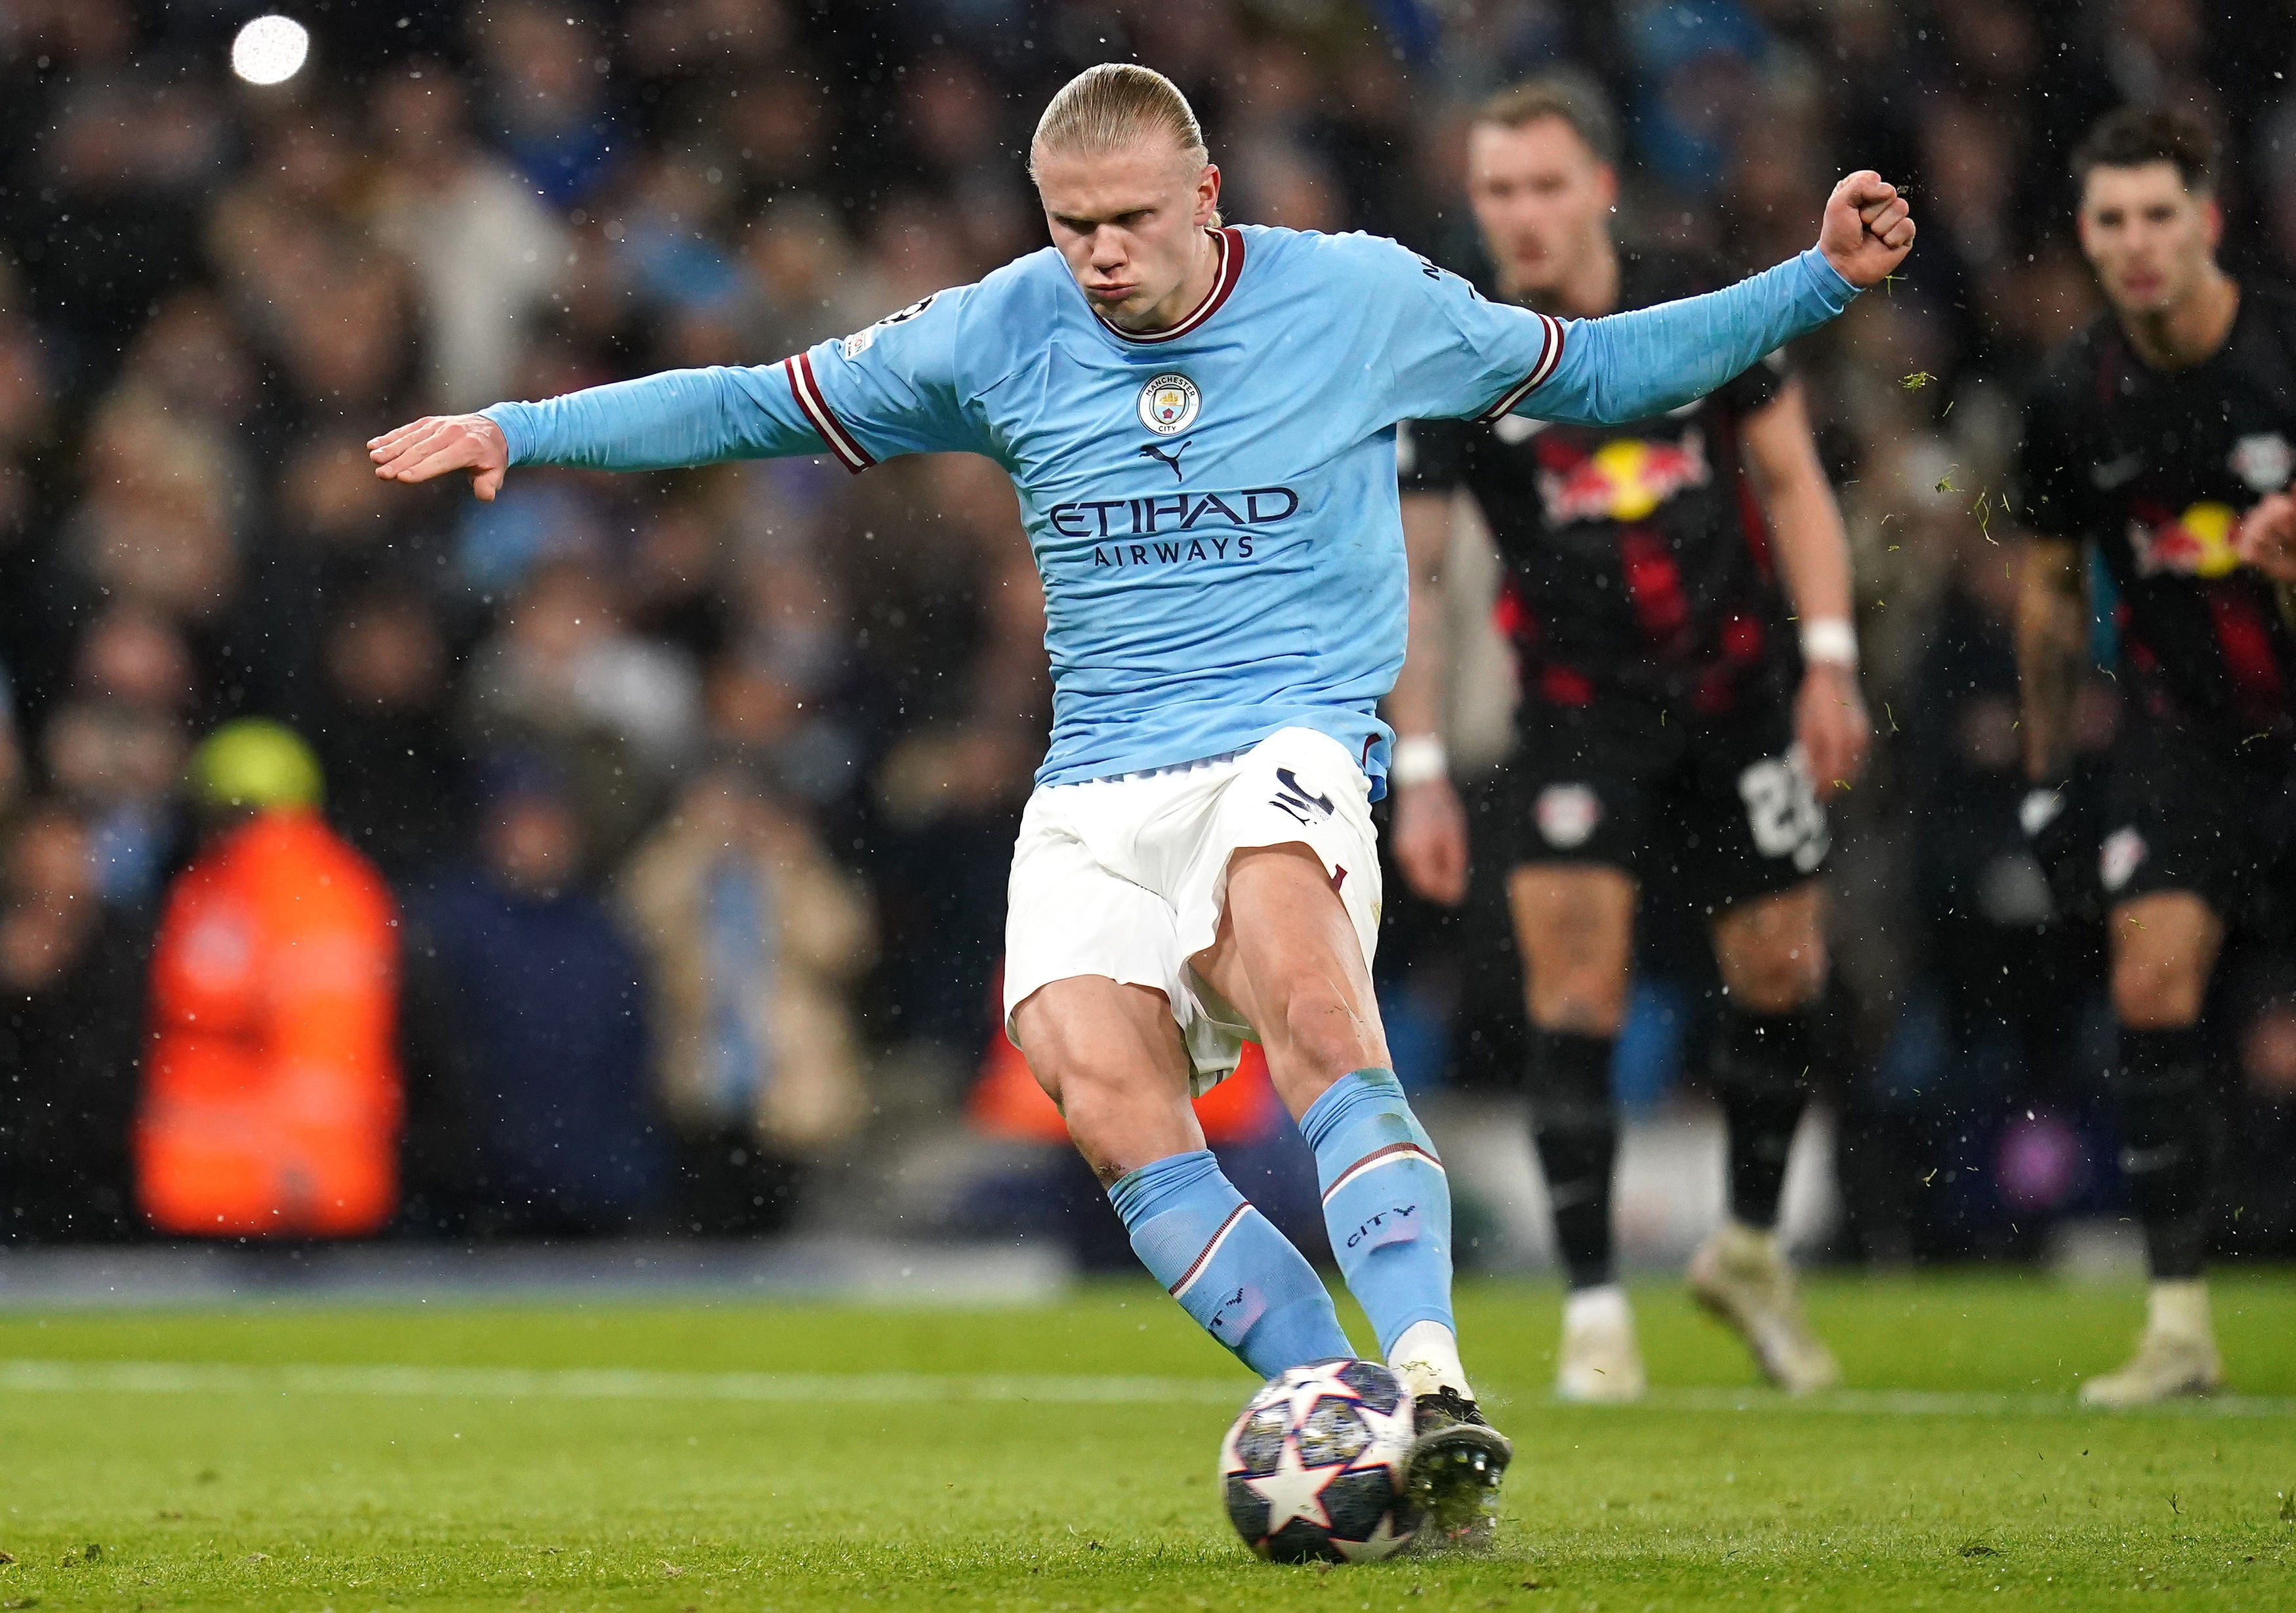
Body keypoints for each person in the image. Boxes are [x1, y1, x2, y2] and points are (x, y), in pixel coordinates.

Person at [369, 62, 1913, 1526]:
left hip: (1287, 741)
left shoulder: (1357, 296)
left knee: (1302, 983)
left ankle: (1436, 1377)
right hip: (1098, 777)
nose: (1099, 255)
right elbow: (755, 401)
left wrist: (1818, 282)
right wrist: (524, 429)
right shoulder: (999, 330)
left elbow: (1608, 372)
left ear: (1208, 194)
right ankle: (1343, 1407)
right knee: (1096, 1088)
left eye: (1129, 220)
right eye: (1070, 223)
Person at [1389, 78, 1870, 1401]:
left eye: (1545, 186)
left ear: (1599, 183)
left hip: (1736, 691)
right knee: (1576, 988)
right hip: (1574, 709)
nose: (1522, 215)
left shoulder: (1697, 299)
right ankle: (1594, 1308)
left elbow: (1789, 481)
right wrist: (1419, 764)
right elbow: (1413, 574)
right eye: (1497, 191)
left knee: (1781, 968)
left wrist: (1829, 657)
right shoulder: (1460, 347)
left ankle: (1753, 1249)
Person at [2019, 106, 2296, 1406]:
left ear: (2208, 223)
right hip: (2181, 726)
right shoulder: (2072, 391)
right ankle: (2179, 1319)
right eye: (2111, 221)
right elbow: (2041, 588)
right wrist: (2041, 771)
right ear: (2086, 235)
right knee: (2150, 978)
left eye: (2158, 216)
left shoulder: (2285, 352)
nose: (2136, 244)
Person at [138, 720, 401, 1239]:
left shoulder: (306, 892)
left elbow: (327, 1044)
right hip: (228, 1181)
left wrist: (304, 1162)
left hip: (277, 1188)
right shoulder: (226, 884)